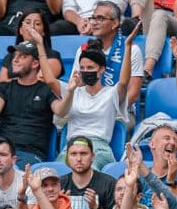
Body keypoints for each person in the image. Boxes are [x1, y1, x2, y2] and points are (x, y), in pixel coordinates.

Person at [57, 28, 138, 169]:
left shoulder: (112, 94)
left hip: (99, 149)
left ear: (101, 69)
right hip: (72, 147)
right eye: (82, 68)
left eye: (90, 67)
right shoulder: (73, 91)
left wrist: (128, 46)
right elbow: (60, 110)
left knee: (86, 170)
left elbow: (124, 82)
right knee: (55, 174)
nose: (85, 71)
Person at [0, 40, 67, 167]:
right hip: (2, 151)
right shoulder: (4, 87)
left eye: (23, 56)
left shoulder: (46, 89)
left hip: (31, 153)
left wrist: (70, 92)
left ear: (35, 63)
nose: (15, 60)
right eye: (15, 56)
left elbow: (60, 111)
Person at [0, 8, 64, 83]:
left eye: (37, 24)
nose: (32, 27)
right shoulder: (10, 56)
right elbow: (2, 84)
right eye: (27, 23)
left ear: (44, 32)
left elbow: (41, 82)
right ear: (20, 30)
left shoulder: (52, 56)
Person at [60, 136, 116, 209]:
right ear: (67, 157)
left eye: (83, 154)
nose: (78, 159)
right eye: (73, 154)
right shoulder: (59, 184)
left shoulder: (109, 183)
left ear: (93, 157)